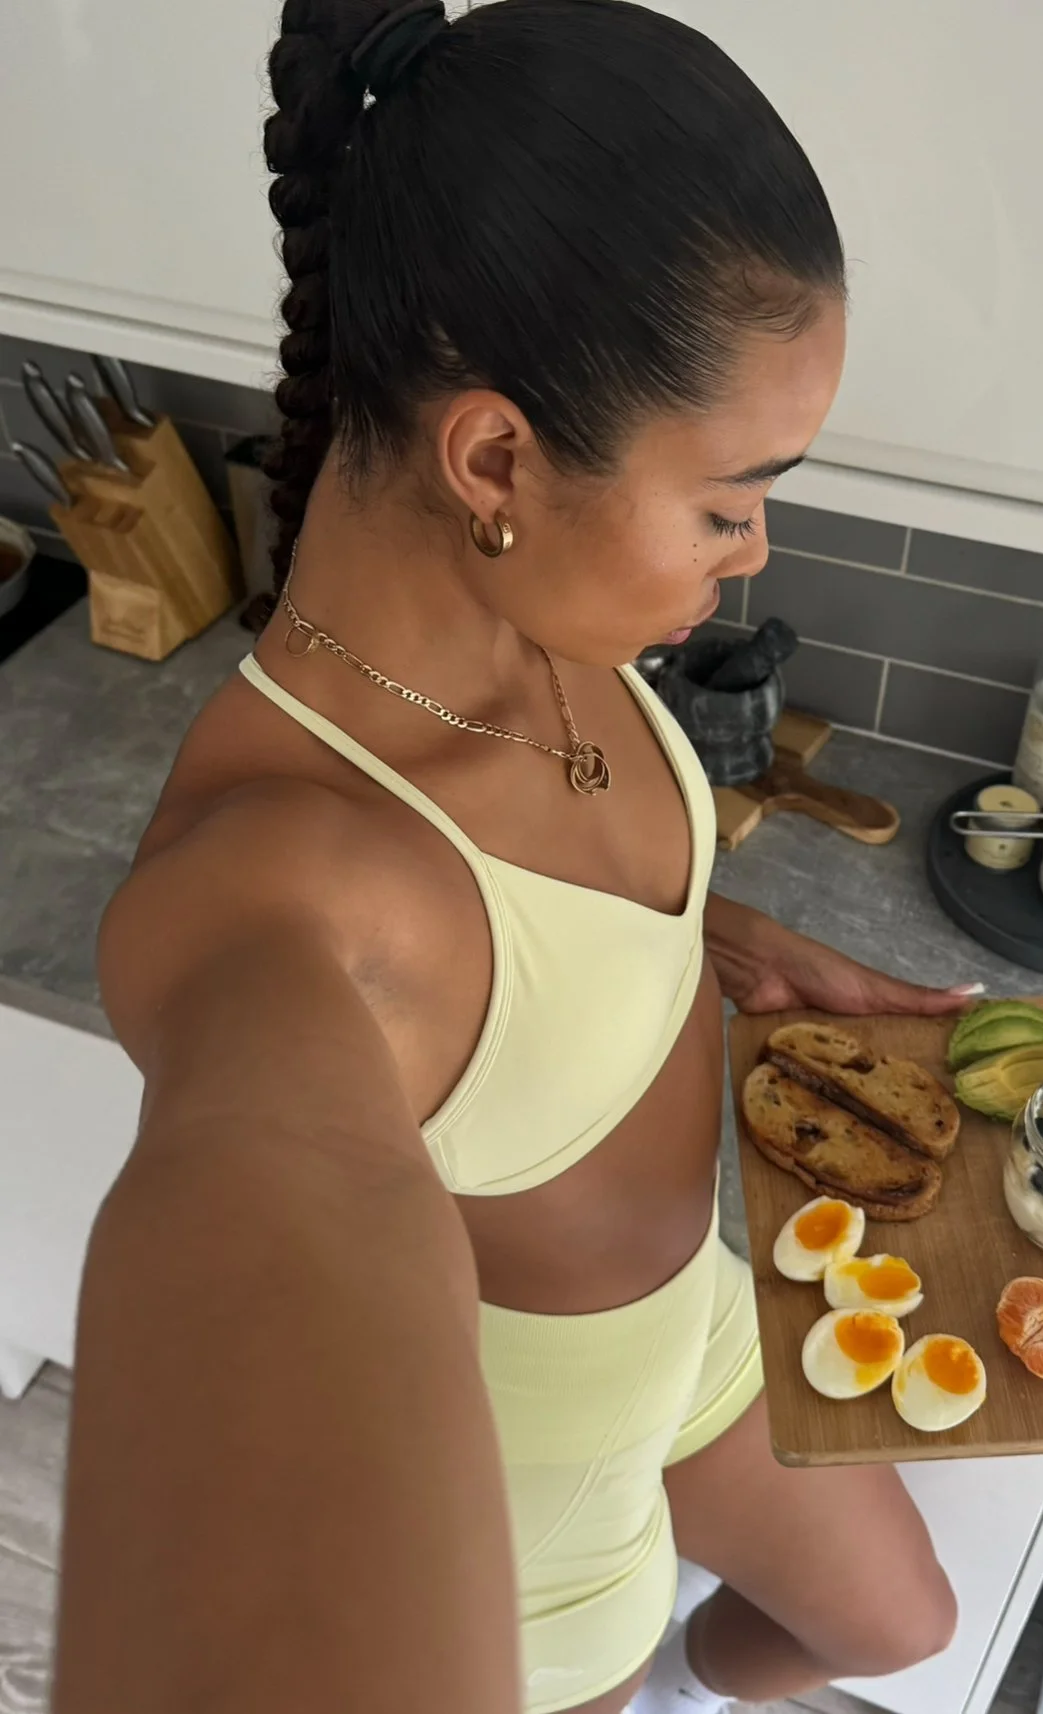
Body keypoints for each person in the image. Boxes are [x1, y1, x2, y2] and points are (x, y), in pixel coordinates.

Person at [54, 4, 977, 1711]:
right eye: (726, 500)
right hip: (533, 1492)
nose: (756, 549)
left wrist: (696, 941)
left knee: (905, 1630)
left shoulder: (541, 619)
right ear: (494, 455)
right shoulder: (280, 895)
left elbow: (532, 913)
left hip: (682, 1317)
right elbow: (259, 1190)